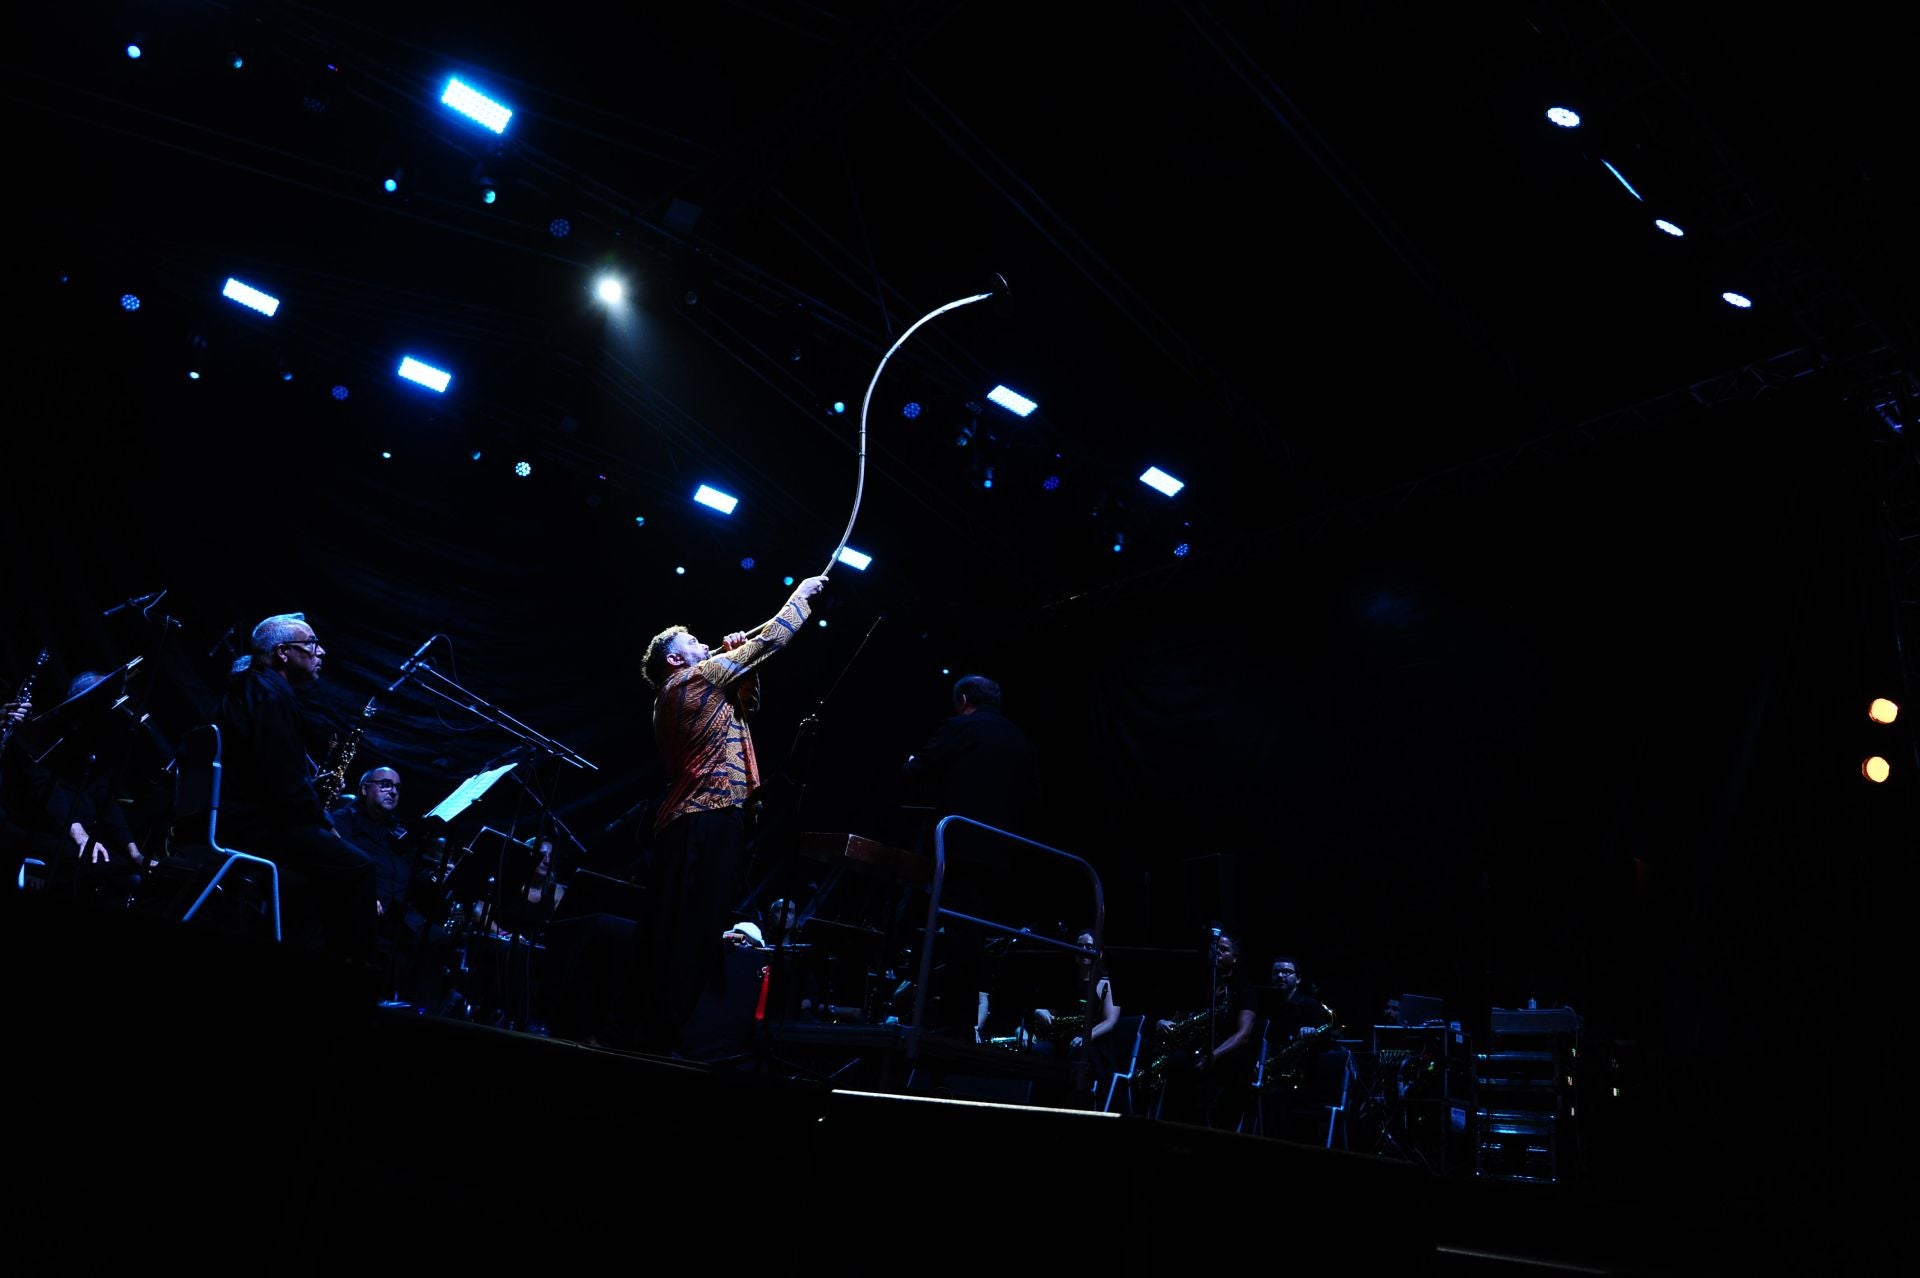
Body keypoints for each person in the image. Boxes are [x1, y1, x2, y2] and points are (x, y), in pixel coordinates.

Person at [633, 573, 828, 1054]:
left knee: (688, 927)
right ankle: (665, 1035)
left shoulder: (702, 681)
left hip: (705, 818)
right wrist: (800, 596)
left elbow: (748, 706)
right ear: (675, 659)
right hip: (703, 816)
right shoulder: (692, 677)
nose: (704, 644)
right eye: (694, 642)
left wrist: (744, 664)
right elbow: (774, 638)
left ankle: (666, 1030)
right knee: (689, 931)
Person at [216, 614, 377, 964]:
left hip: (238, 818)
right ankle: (358, 979)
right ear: (283, 653)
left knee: (312, 881)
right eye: (312, 644)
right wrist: (327, 827)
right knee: (361, 868)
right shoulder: (271, 697)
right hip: (255, 826)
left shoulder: (249, 688)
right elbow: (285, 788)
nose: (322, 652)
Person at [898, 674, 1039, 1039]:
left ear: (963, 698)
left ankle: (955, 1021)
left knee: (959, 932)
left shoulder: (963, 726)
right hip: (1006, 851)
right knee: (978, 935)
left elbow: (921, 767)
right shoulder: (1021, 741)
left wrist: (913, 761)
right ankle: (967, 1019)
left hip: (961, 845)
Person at [1150, 929, 1259, 1129]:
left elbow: (1243, 1034)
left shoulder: (1243, 989)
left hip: (1228, 1052)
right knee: (1176, 1063)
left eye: (1224, 949)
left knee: (1235, 1068)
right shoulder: (1199, 984)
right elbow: (1178, 1018)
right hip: (1198, 1048)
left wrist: (1214, 1055)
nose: (1217, 952)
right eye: (1214, 948)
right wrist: (1163, 1023)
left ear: (1235, 958)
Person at [329, 766, 421, 997]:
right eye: (385, 784)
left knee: (438, 940)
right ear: (364, 788)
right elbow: (339, 862)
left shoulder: (400, 829)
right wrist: (364, 894)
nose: (393, 792)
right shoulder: (342, 820)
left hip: (401, 914)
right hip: (364, 908)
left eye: (397, 787)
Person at [1029, 929, 1122, 1105]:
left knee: (1077, 1053)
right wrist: (1040, 1011)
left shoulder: (1107, 983)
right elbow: (1052, 1011)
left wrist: (1086, 1037)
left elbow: (1111, 1021)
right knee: (1040, 1051)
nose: (1084, 950)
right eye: (1080, 946)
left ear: (1099, 953)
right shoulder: (1066, 982)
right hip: (1063, 1040)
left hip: (1093, 1044)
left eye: (1089, 946)